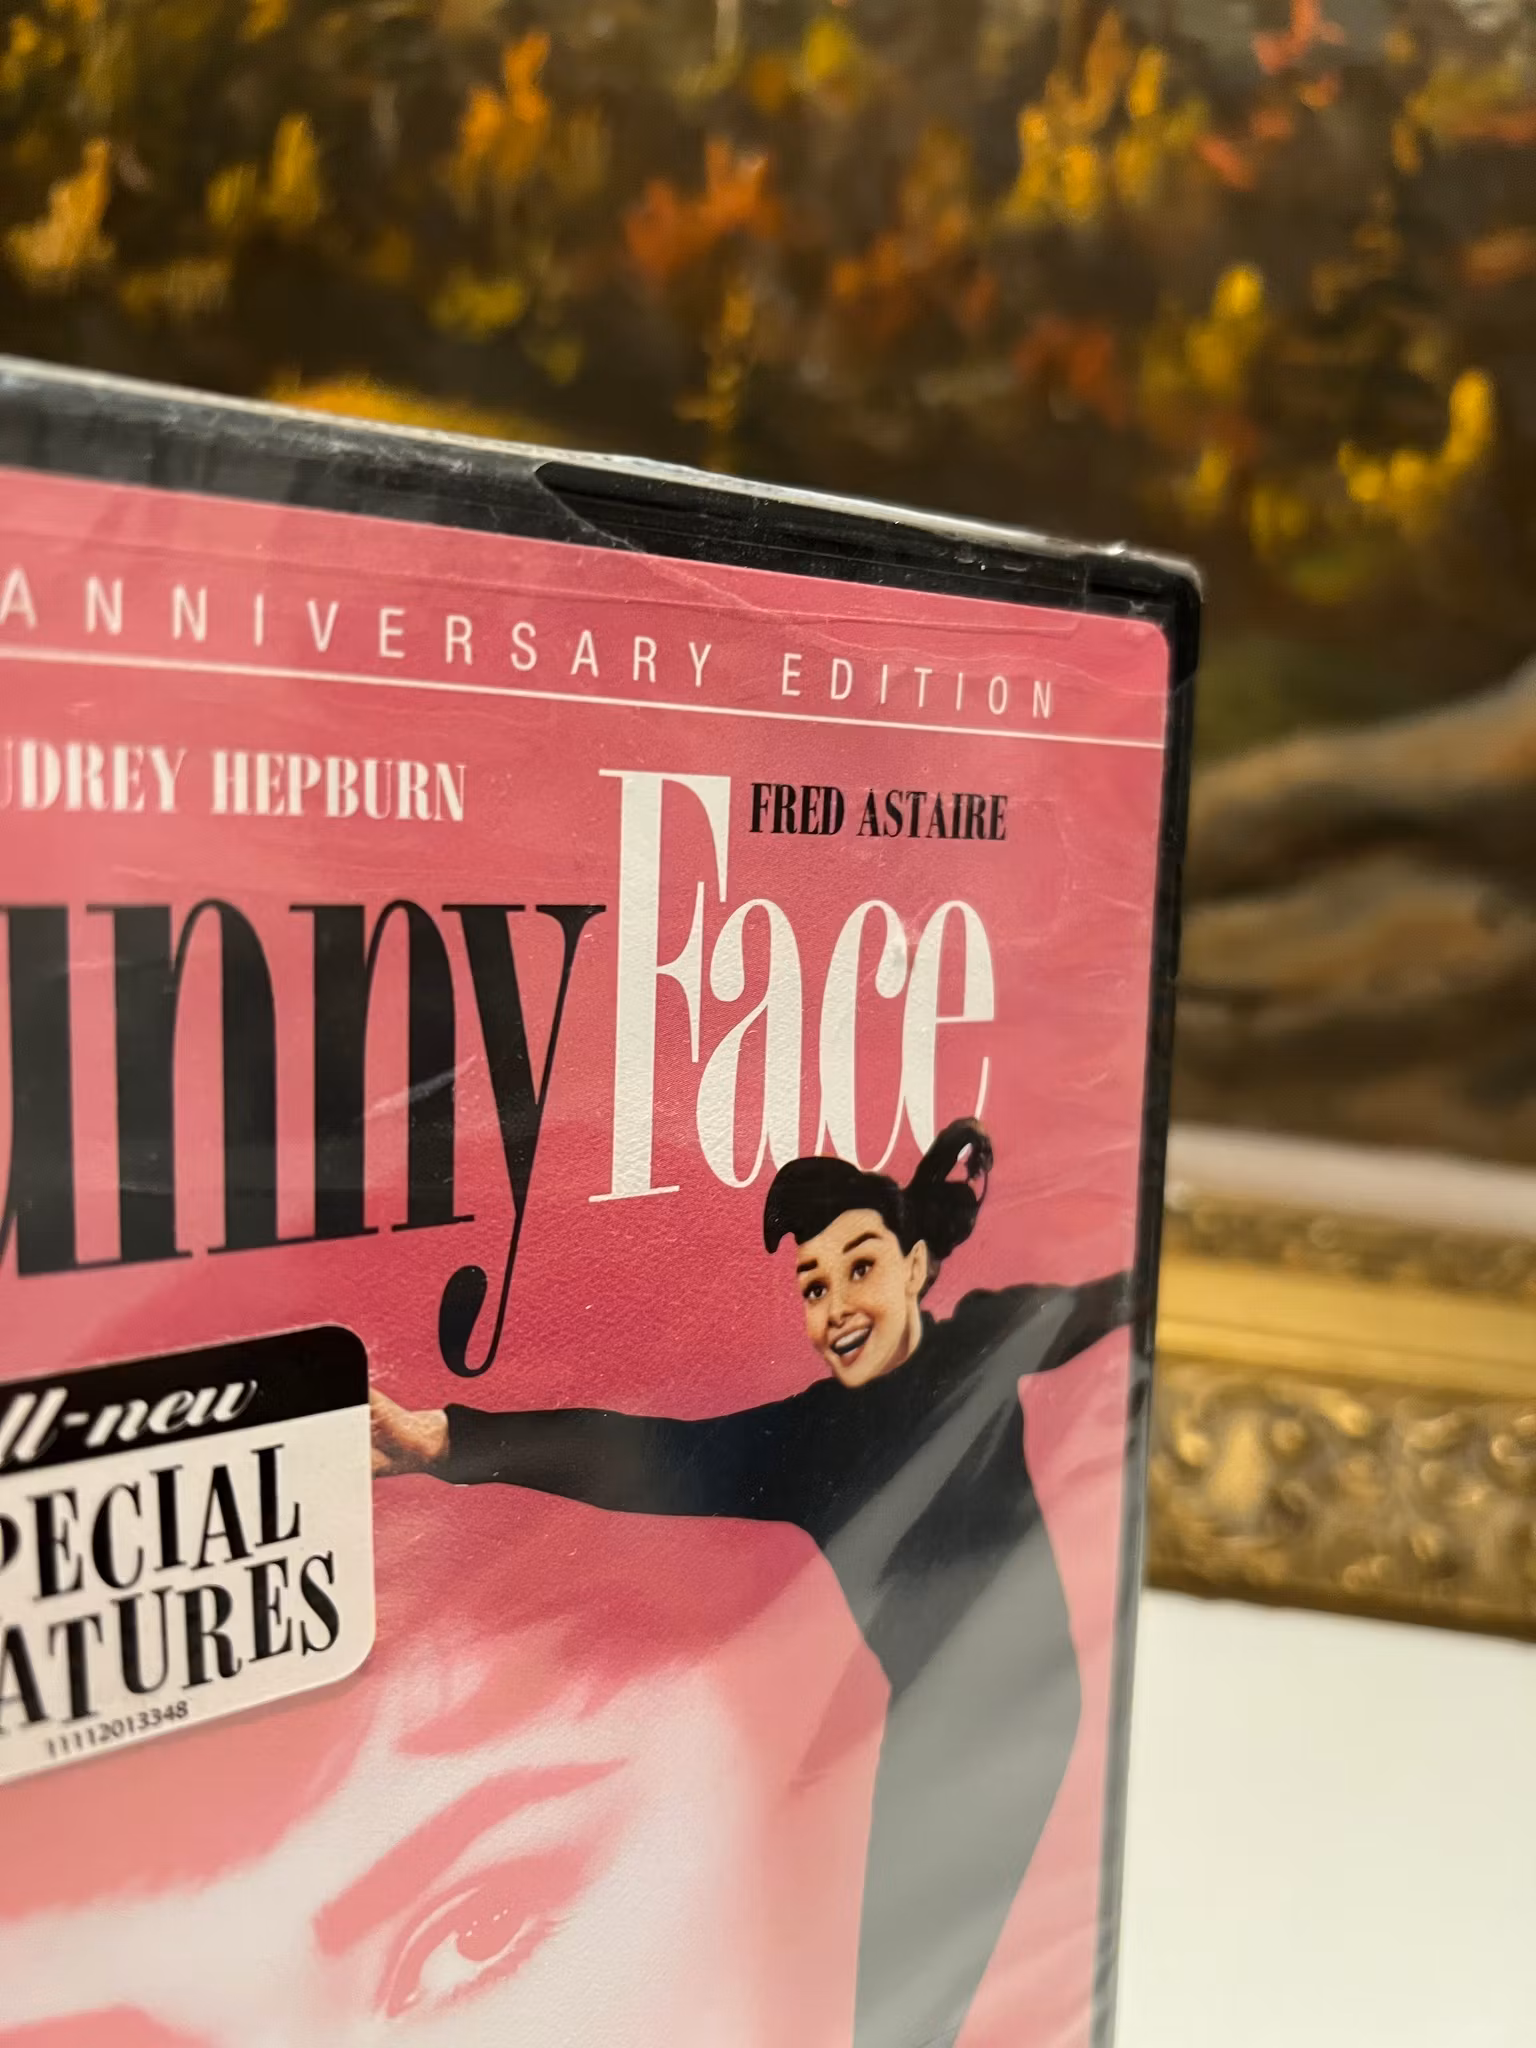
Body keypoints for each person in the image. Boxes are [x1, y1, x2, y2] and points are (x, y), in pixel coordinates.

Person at [371, 1118, 1134, 2048]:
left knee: (917, 1995)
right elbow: (636, 1453)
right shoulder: (807, 1440)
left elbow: (1106, 1299)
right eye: (814, 1286)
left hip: (1031, 1708)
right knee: (892, 2004)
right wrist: (447, 1441)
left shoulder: (983, 1337)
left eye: (860, 1268)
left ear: (915, 1268)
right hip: (927, 1724)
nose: (838, 1307)